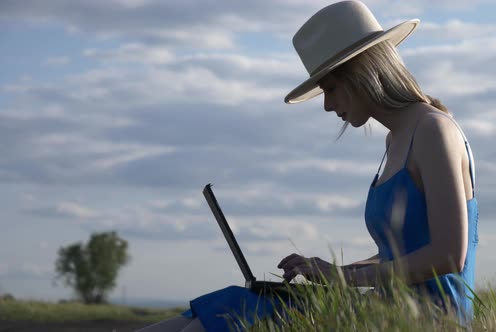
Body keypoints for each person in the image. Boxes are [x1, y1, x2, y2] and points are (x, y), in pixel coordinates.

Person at [138, 1, 478, 331]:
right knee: (226, 305)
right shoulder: (397, 140)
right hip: (386, 309)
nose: (328, 105)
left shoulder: (434, 131)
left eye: (331, 88)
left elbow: (448, 256)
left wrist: (343, 277)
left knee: (236, 313)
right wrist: (328, 269)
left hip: (431, 320)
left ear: (365, 72)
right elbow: (399, 255)